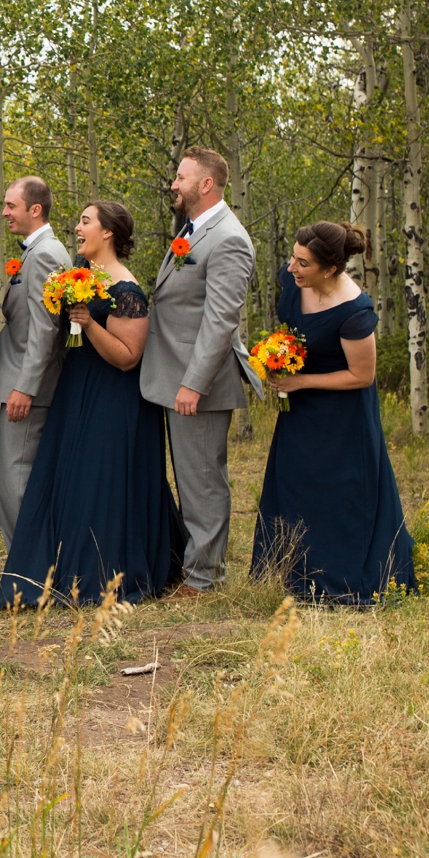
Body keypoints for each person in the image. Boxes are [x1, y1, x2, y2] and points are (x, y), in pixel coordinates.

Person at [0, 201, 184, 607]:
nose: (77, 229)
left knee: (103, 480)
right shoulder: (81, 277)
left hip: (114, 398)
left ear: (108, 233)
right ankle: (59, 568)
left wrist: (87, 322)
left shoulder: (126, 290)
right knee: (71, 476)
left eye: (85, 222)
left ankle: (103, 570)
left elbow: (128, 356)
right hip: (77, 386)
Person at [250, 222, 415, 602]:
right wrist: (279, 356)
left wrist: (301, 382)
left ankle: (340, 578)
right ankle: (291, 573)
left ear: (330, 270)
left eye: (302, 263)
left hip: (342, 416)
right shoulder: (294, 281)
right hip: (300, 411)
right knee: (293, 482)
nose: (291, 267)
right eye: (293, 257)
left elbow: (362, 376)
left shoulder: (355, 312)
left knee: (339, 491)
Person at [140, 148, 257, 594]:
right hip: (170, 376)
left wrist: (193, 383)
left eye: (181, 177)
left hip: (198, 383)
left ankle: (206, 578)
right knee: (189, 479)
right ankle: (191, 567)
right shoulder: (192, 232)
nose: (174, 184)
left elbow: (221, 320)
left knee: (203, 481)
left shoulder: (228, 238)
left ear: (205, 184)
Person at [0, 177, 69, 553]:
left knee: (15, 479)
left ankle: (27, 573)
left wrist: (25, 386)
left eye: (11, 206)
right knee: (13, 478)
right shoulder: (35, 252)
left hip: (25, 387)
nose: (4, 212)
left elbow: (45, 328)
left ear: (34, 209)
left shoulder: (45, 254)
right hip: (18, 380)